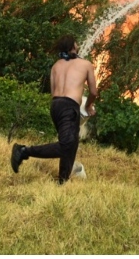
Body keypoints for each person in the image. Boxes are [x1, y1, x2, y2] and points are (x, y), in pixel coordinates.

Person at [11, 34, 99, 183]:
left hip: (56, 106)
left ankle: (62, 181)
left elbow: (53, 92)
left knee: (71, 144)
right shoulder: (86, 64)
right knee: (66, 146)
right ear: (74, 46)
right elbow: (93, 92)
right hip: (69, 108)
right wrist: (88, 106)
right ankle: (24, 151)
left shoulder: (56, 66)